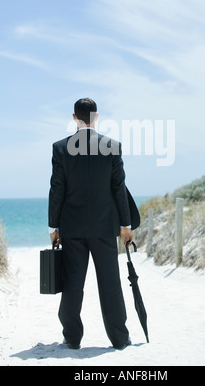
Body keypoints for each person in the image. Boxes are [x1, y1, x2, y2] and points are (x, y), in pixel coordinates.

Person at [48, 98, 140, 350]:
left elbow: (57, 189)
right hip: (104, 228)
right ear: (96, 117)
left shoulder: (60, 148)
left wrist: (53, 227)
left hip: (72, 228)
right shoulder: (112, 146)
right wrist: (125, 225)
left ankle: (72, 337)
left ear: (74, 117)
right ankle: (119, 338)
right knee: (110, 283)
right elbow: (118, 188)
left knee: (72, 284)